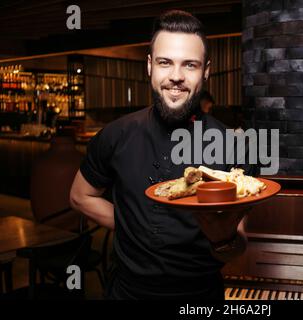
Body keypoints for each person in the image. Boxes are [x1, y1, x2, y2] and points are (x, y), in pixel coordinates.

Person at [69, 10, 255, 300]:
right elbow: (80, 196)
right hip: (127, 293)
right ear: (149, 66)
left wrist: (223, 238)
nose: (176, 76)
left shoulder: (233, 146)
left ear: (206, 70)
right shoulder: (116, 135)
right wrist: (131, 224)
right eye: (165, 62)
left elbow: (239, 248)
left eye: (190, 65)